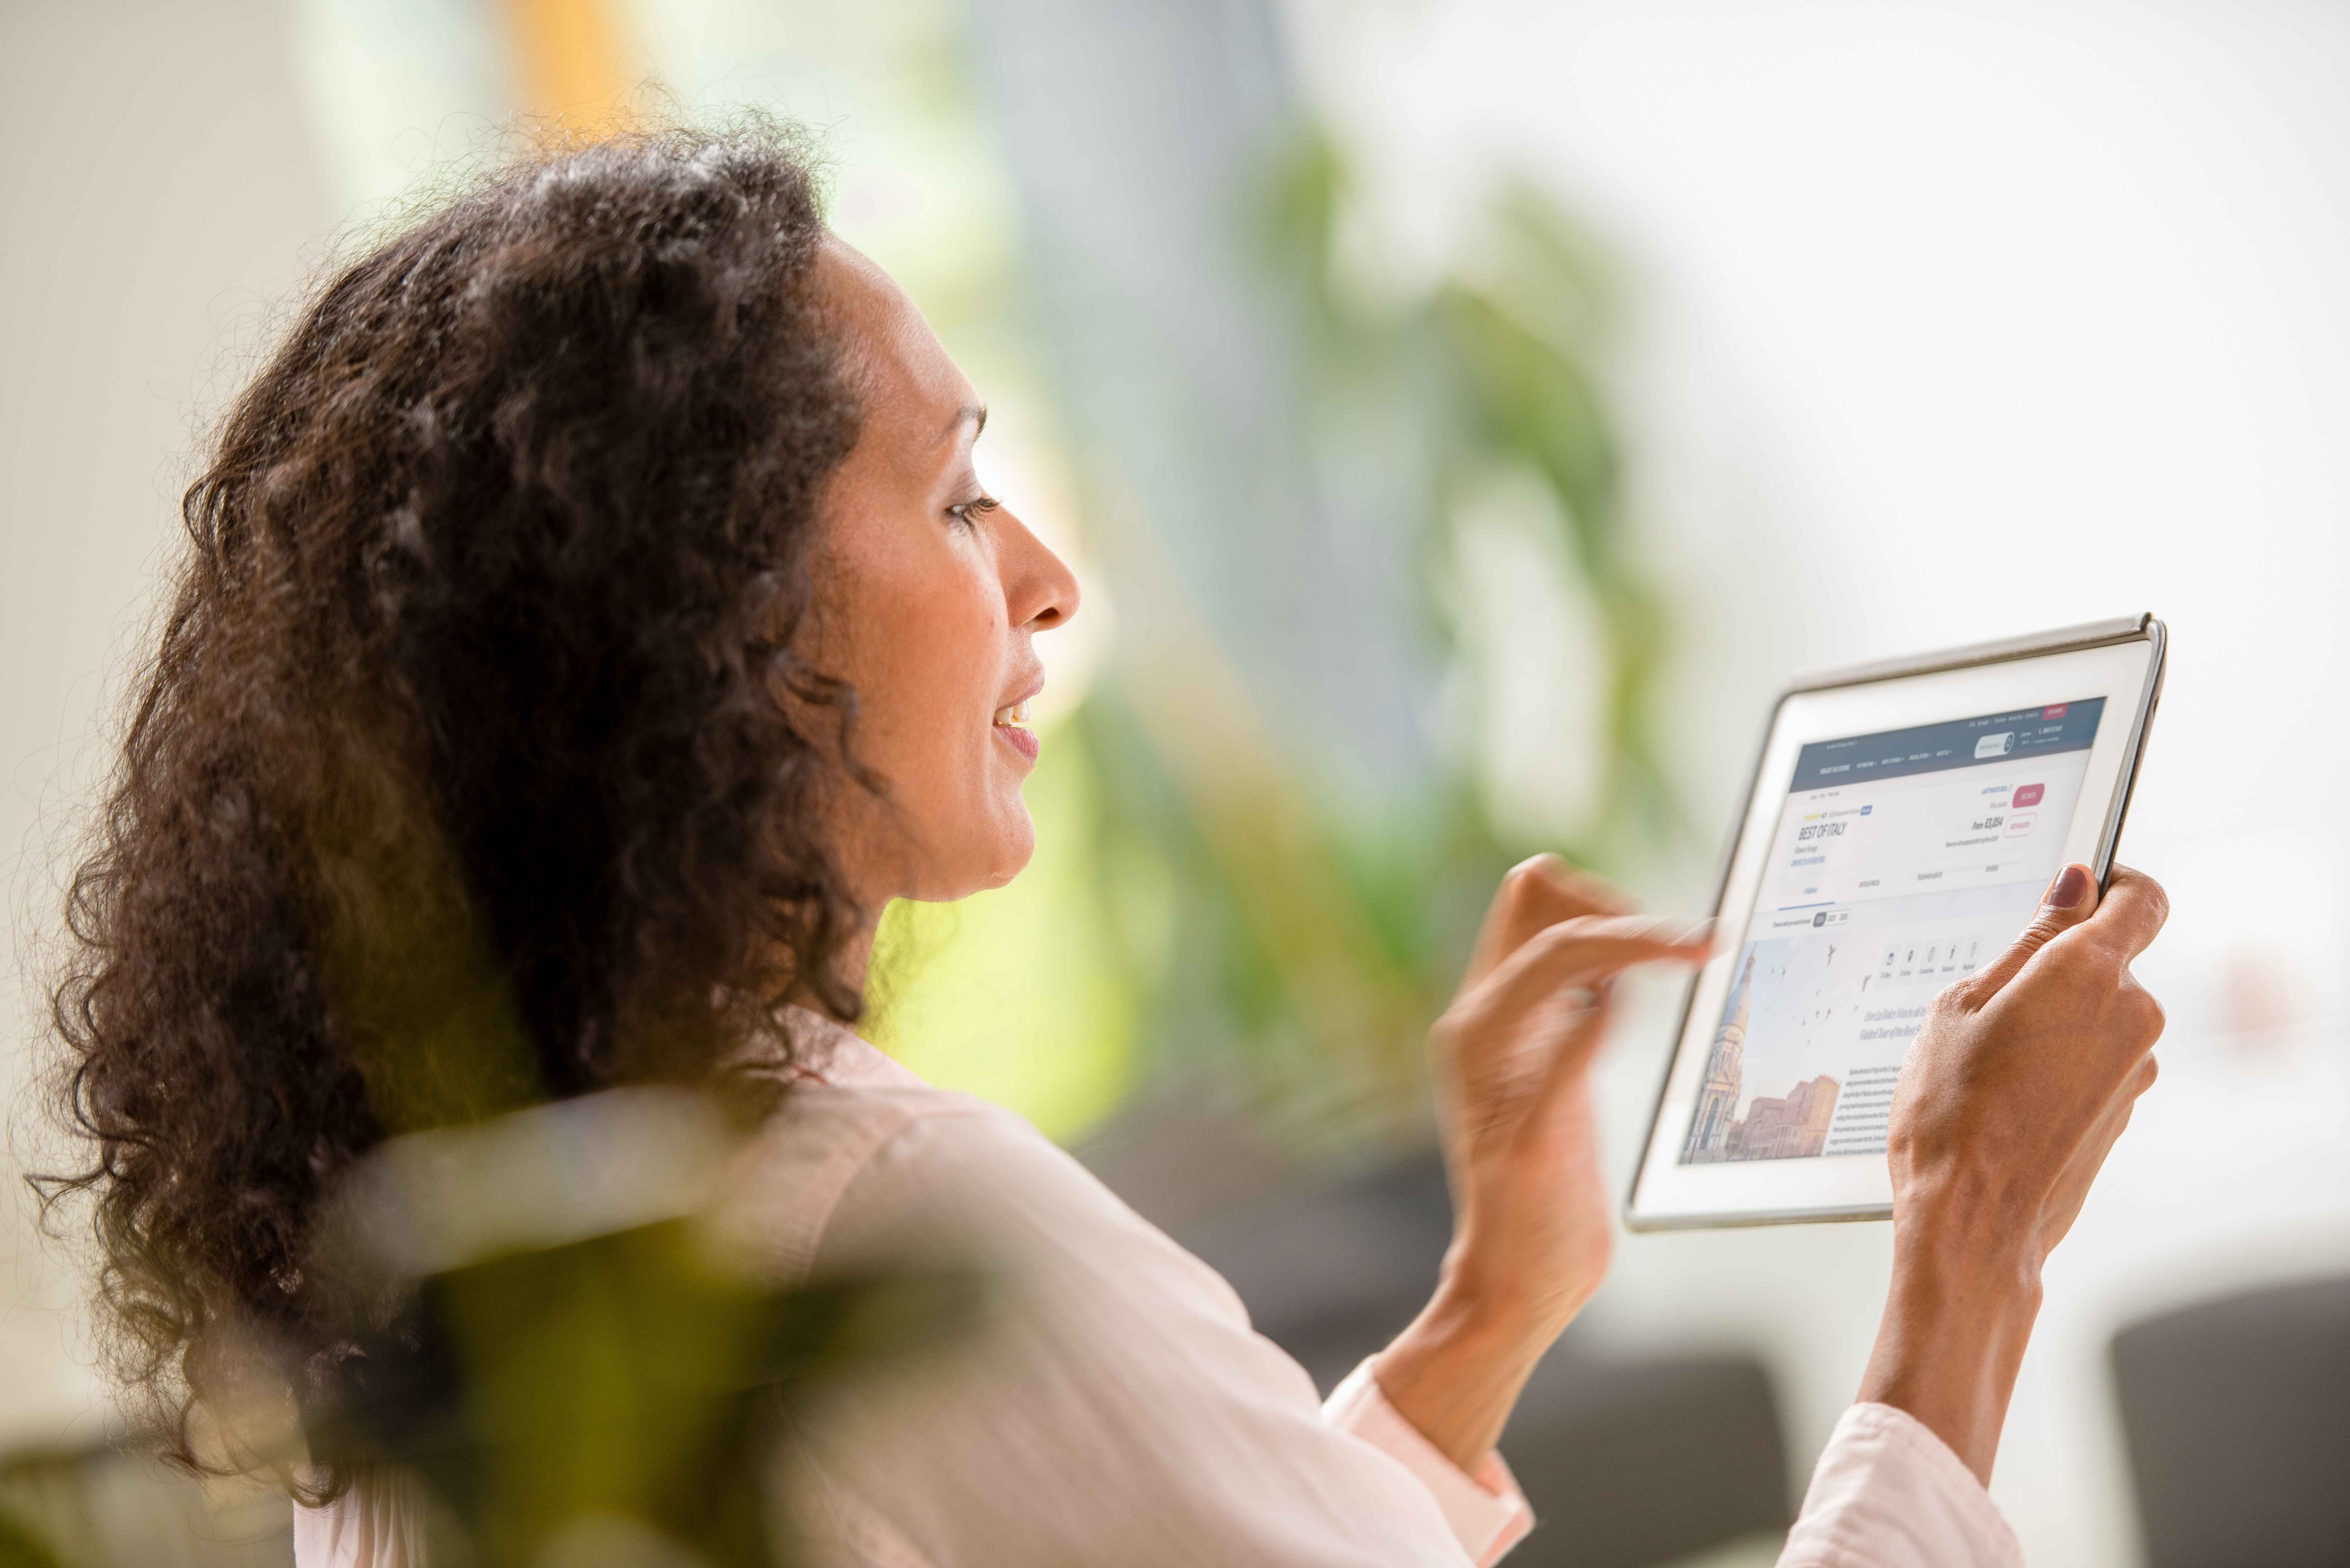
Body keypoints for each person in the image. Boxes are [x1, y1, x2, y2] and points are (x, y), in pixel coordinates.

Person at [42, 126, 2167, 1568]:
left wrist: (1480, 1316)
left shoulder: (504, 1289)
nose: (1044, 580)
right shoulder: (875, 1219)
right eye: (962, 496)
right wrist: (1963, 1250)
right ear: (726, 615)